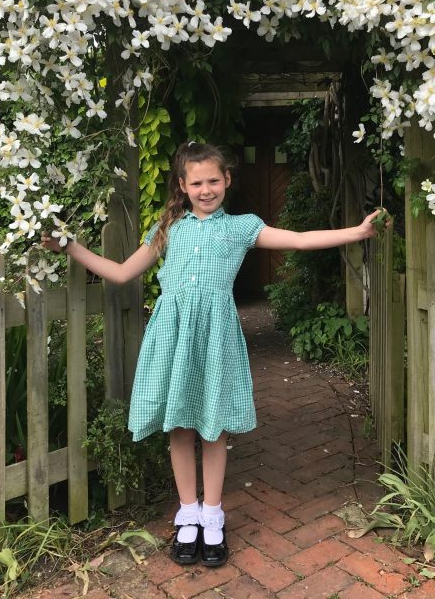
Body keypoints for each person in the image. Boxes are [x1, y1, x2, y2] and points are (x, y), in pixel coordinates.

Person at [41, 141, 383, 568]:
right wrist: (70, 246)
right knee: (180, 427)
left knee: (213, 427)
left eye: (214, 181)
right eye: (197, 182)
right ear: (182, 186)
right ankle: (188, 515)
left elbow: (296, 240)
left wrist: (357, 232)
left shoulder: (240, 228)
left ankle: (213, 516)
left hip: (216, 335)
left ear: (227, 181)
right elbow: (121, 272)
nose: (206, 189)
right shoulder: (168, 229)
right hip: (173, 335)